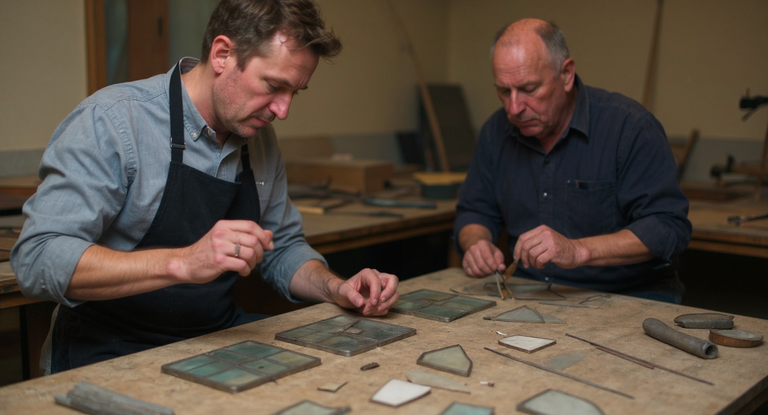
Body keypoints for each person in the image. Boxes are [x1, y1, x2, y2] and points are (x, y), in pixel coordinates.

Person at [11, 0, 399, 374]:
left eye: (294, 92)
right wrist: (182, 262)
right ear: (222, 54)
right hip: (109, 347)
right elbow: (38, 258)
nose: (283, 110)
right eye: (274, 86)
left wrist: (336, 288)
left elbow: (282, 247)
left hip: (211, 341)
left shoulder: (258, 138)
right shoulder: (113, 121)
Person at [454, 18, 691, 303]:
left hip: (628, 295)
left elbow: (667, 227)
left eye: (529, 89)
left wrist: (578, 250)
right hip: (530, 293)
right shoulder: (496, 131)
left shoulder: (630, 128)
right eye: (504, 91)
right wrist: (476, 243)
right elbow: (474, 211)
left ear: (566, 74)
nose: (514, 108)